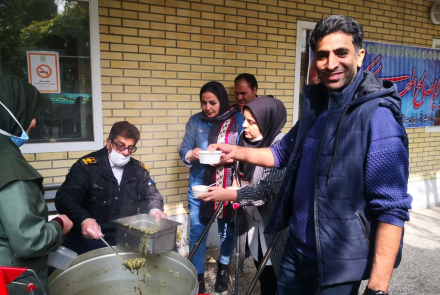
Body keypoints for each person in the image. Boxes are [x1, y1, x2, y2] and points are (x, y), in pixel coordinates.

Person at [209, 15, 412, 295]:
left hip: (338, 263)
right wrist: (233, 150)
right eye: (322, 55)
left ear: (360, 55)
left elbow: (392, 207)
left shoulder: (378, 118)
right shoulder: (316, 108)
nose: (331, 64)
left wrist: (377, 289)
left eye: (341, 52)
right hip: (295, 249)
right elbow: (280, 153)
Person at [198, 96, 290, 295]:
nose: (244, 126)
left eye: (251, 122)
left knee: (276, 276)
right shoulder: (244, 140)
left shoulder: (280, 146)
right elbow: (239, 175)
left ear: (267, 120)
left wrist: (230, 195)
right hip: (252, 221)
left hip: (272, 225)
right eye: (244, 120)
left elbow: (266, 193)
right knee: (261, 269)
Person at [0, 75, 73, 295]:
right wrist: (59, 224)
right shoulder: (10, 167)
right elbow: (29, 240)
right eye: (32, 114)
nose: (34, 122)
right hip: (15, 280)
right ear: (14, 111)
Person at [55, 121, 166, 255]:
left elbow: (152, 195)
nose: (126, 152)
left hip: (127, 236)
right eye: (121, 146)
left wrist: (155, 210)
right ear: (109, 142)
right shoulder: (87, 167)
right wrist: (84, 219)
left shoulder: (138, 170)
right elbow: (65, 198)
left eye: (131, 148)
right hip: (92, 238)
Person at [179, 81, 244, 293]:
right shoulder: (195, 121)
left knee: (227, 232)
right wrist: (192, 154)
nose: (207, 107)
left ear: (222, 100)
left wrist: (229, 156)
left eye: (213, 103)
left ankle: (223, 269)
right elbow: (184, 150)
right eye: (204, 102)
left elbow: (246, 150)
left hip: (227, 185)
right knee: (198, 233)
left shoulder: (237, 120)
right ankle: (198, 279)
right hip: (200, 186)